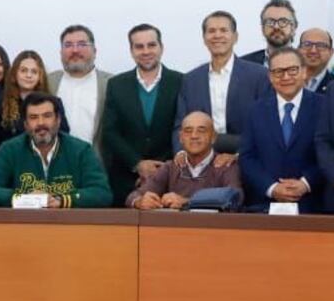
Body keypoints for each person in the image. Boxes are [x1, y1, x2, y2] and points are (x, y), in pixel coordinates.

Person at [0, 92, 112, 208]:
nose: (41, 123)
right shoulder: (10, 149)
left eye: (47, 116)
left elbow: (102, 193)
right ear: (25, 124)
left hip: (69, 227)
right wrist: (23, 198)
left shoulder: (81, 150)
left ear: (58, 120)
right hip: (23, 228)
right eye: (33, 117)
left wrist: (63, 200)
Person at [101, 24, 183, 206]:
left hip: (171, 180)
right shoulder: (116, 84)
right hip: (125, 181)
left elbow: (181, 128)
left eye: (151, 45)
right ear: (131, 51)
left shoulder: (180, 81)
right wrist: (138, 164)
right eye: (139, 46)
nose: (146, 51)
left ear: (161, 47)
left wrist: (159, 170)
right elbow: (110, 132)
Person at [174, 10, 272, 153]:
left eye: (223, 30)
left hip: (246, 157)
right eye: (211, 31)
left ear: (235, 37)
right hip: (200, 159)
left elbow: (267, 125)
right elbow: (180, 125)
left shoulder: (259, 76)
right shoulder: (190, 80)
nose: (217, 35)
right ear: (204, 38)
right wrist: (182, 153)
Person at [239, 48, 324, 213]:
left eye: (292, 70)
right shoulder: (255, 110)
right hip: (264, 204)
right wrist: (272, 188)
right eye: (278, 72)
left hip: (314, 204)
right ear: (270, 77)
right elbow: (247, 157)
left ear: (304, 72)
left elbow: (329, 153)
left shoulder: (325, 107)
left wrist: (306, 184)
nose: (285, 77)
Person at [125, 111, 243, 210]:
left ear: (213, 137)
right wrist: (139, 201)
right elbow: (133, 196)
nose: (194, 136)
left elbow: (235, 198)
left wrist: (187, 202)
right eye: (188, 131)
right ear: (181, 138)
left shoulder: (226, 165)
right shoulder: (171, 167)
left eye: (201, 130)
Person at [49, 25, 112, 151]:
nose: (75, 50)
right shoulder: (48, 82)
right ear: (61, 52)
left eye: (82, 44)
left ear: (95, 51)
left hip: (96, 164)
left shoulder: (111, 84)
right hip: (55, 164)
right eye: (68, 45)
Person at [0, 50, 68, 142]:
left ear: (40, 76)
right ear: (15, 74)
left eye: (34, 72)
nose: (29, 75)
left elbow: (63, 135)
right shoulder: (1, 103)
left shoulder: (55, 103)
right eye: (23, 71)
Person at [242, 0, 297, 66]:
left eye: (283, 21)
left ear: (293, 28)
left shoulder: (306, 63)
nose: (276, 27)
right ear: (262, 28)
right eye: (270, 22)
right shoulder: (243, 64)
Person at [299, 28, 333, 94]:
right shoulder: (281, 81)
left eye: (321, 45)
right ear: (298, 50)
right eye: (307, 44)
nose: (313, 51)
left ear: (331, 52)